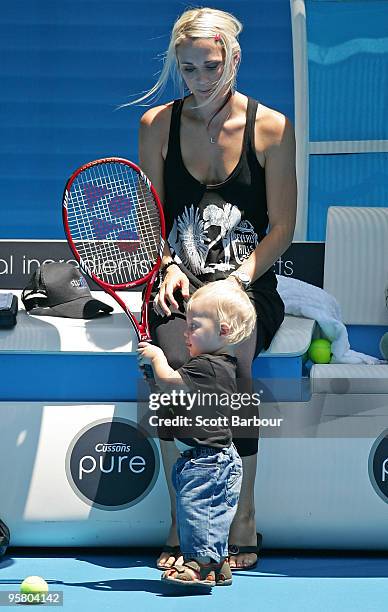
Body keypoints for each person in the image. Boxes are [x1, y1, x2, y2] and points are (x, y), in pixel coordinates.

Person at [135, 7, 297, 570]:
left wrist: (235, 281)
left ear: (234, 58)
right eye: (188, 69)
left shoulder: (272, 127)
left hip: (246, 281)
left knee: (233, 356)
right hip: (178, 284)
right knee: (177, 358)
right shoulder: (157, 124)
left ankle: (243, 513)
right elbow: (150, 219)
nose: (201, 80)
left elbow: (283, 228)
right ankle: (184, 516)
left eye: (212, 66)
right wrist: (165, 263)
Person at [137, 280, 257, 587]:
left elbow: (173, 385)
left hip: (208, 461)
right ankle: (216, 565)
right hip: (209, 459)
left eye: (194, 326)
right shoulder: (217, 364)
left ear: (225, 331)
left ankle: (200, 567)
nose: (185, 333)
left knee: (198, 515)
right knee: (208, 515)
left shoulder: (206, 366)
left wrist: (157, 359)